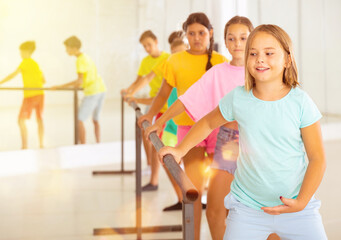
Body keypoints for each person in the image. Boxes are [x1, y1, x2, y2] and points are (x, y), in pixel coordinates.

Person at [159, 24, 327, 240]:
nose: (260, 59)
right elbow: (208, 123)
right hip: (248, 209)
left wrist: (302, 201)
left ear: (287, 59)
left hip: (298, 210)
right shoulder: (239, 97)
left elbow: (317, 159)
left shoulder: (301, 101)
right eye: (253, 53)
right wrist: (180, 149)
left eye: (269, 53)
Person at [138, 12, 227, 240]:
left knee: (221, 195)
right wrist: (153, 118)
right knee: (193, 190)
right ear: (185, 35)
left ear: (211, 34)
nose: (197, 38)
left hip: (219, 129)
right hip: (189, 132)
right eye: (192, 33)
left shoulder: (220, 62)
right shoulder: (175, 60)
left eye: (202, 33)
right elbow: (164, 93)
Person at [121, 30, 170, 178]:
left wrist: (134, 96)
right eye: (144, 46)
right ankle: (149, 165)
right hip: (154, 100)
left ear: (156, 42)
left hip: (164, 100)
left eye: (149, 44)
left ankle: (155, 170)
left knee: (156, 136)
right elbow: (140, 80)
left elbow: (148, 79)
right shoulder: (145, 61)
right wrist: (129, 91)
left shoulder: (167, 58)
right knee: (144, 129)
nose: (147, 48)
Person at [53, 36, 106, 144]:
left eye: (67, 48)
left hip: (93, 91)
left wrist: (60, 86)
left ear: (73, 48)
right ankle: (98, 143)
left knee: (79, 120)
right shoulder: (85, 56)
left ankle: (83, 145)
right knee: (95, 119)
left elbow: (79, 81)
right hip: (101, 89)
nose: (66, 51)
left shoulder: (80, 60)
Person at [0, 41, 46, 149]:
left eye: (21, 52)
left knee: (20, 120)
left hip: (30, 95)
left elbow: (13, 75)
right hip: (40, 94)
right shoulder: (36, 64)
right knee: (39, 119)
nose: (20, 54)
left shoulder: (25, 62)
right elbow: (44, 80)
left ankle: (24, 146)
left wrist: (0, 82)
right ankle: (41, 144)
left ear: (27, 51)